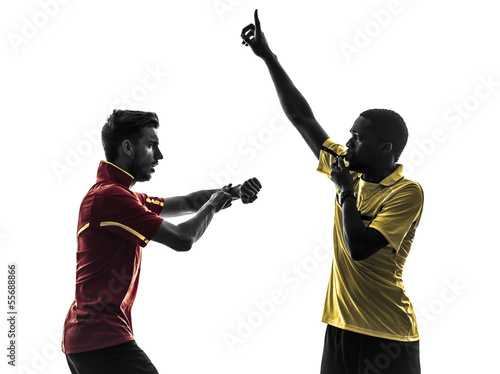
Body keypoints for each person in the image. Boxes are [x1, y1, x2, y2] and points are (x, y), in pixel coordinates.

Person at [241, 10, 422, 374]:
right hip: (339, 327)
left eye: (358, 138)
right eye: (350, 135)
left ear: (385, 148)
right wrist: (268, 57)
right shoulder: (345, 167)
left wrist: (345, 192)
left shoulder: (407, 193)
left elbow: (359, 249)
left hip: (388, 335)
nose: (349, 143)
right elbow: (302, 118)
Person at [62, 109, 262, 374]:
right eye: (151, 145)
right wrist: (214, 205)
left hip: (86, 339)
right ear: (127, 147)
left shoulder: (119, 195)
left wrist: (232, 193)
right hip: (101, 338)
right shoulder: (111, 198)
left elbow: (188, 202)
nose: (159, 155)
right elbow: (183, 239)